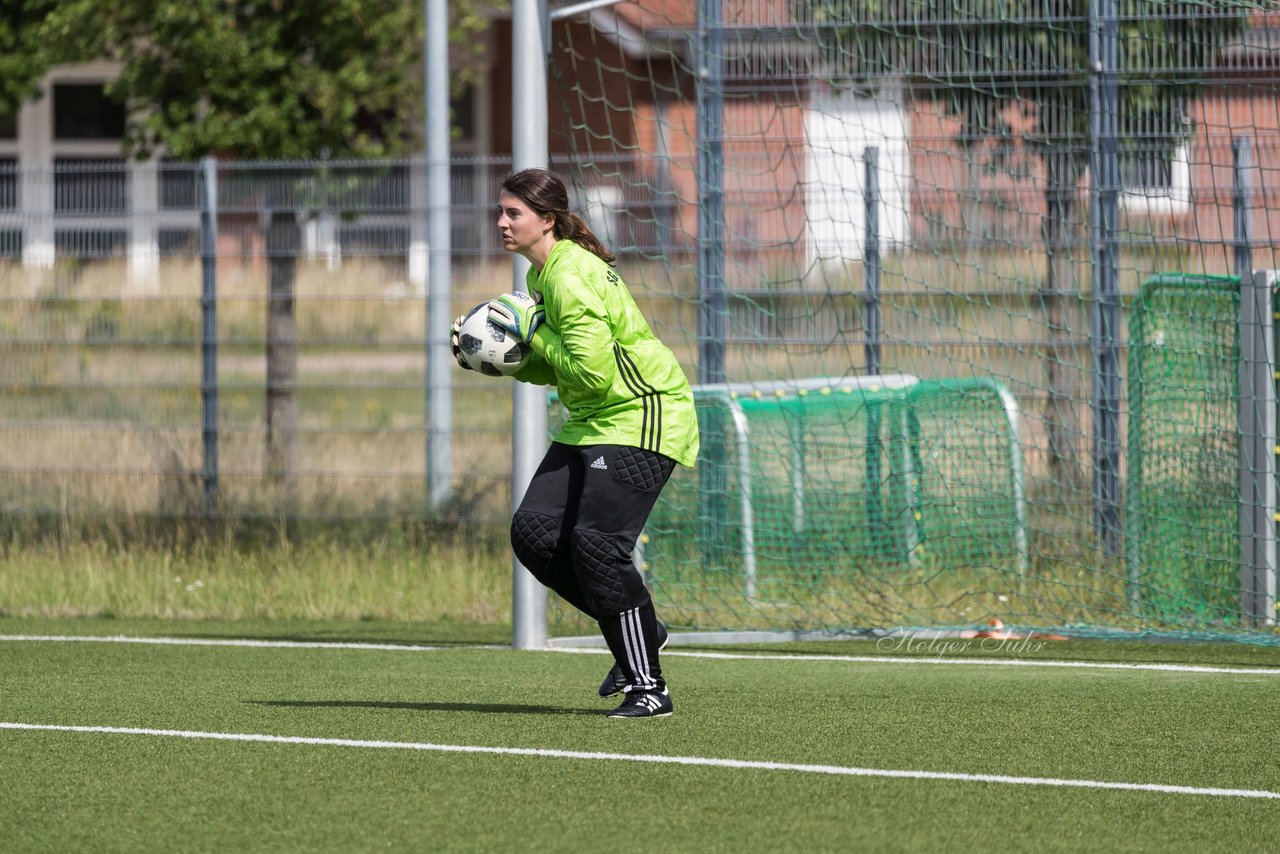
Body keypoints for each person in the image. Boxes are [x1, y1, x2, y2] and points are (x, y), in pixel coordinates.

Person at [450, 167, 699, 718]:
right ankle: (643, 631)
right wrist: (503, 358)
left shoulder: (567, 277)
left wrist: (528, 334)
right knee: (535, 535)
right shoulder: (543, 276)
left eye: (514, 213)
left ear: (547, 218)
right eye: (501, 211)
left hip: (643, 413)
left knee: (595, 545)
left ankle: (649, 687)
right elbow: (565, 376)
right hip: (594, 419)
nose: (502, 222)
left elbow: (592, 376)